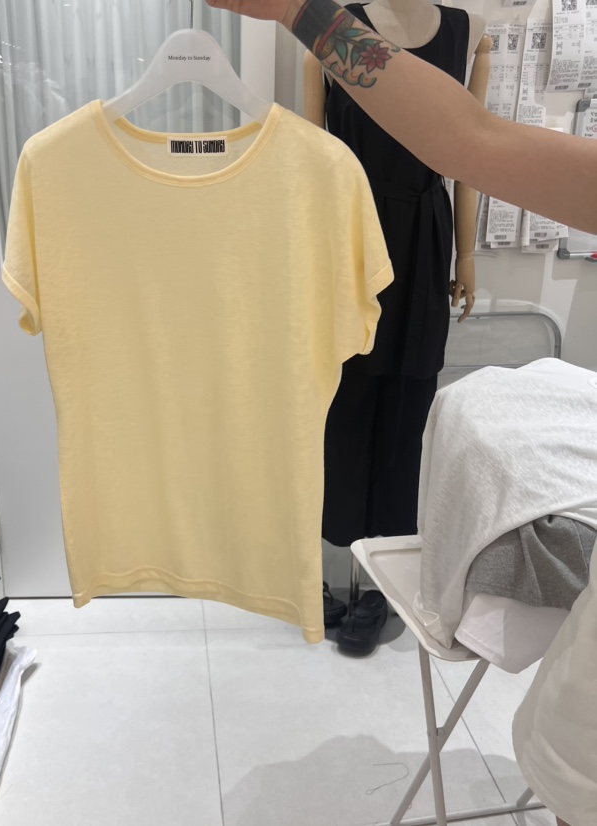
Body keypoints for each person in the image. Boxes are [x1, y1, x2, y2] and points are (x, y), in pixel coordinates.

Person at [205, 3, 596, 826]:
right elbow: (325, 153)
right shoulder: (332, 30)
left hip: (421, 233)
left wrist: (467, 254)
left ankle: (379, 576)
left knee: (410, 396)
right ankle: (330, 567)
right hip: (345, 232)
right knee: (338, 402)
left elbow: (469, 154)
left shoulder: (466, 31)